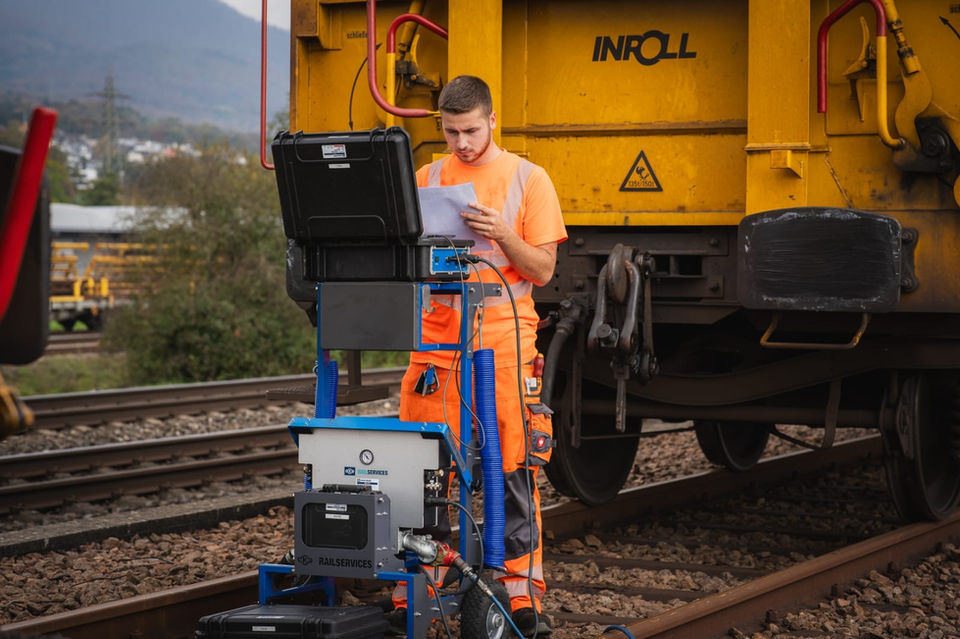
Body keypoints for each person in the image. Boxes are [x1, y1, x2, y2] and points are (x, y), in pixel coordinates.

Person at [391, 75, 567, 637]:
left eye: (470, 130)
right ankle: (416, 589)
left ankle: (519, 597)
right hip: (437, 345)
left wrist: (502, 235)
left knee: (513, 468)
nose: (462, 143)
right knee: (424, 469)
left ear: (493, 120)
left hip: (505, 343)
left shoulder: (528, 179)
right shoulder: (427, 178)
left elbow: (541, 270)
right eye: (451, 132)